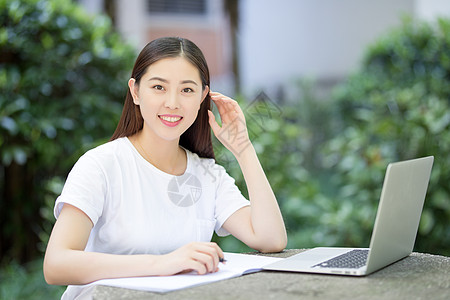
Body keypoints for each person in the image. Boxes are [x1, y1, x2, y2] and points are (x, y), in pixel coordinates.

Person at [43, 37, 287, 299]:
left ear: (203, 97)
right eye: (159, 87)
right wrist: (164, 264)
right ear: (135, 92)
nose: (172, 102)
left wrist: (243, 148)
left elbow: (270, 239)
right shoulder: (101, 165)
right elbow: (57, 265)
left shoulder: (208, 175)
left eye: (187, 90)